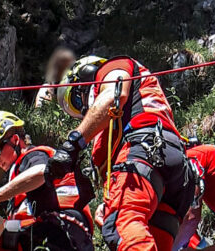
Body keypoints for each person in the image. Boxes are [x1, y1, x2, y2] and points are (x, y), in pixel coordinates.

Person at [48, 55, 193, 251]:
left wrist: (72, 144)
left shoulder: (113, 67)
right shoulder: (122, 122)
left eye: (76, 99)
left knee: (122, 223)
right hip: (172, 169)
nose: (85, 109)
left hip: (144, 152)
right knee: (149, 240)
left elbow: (113, 96)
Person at [0, 110, 94, 250]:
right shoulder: (18, 175)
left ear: (15, 140)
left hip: (61, 231)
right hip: (57, 233)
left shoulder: (34, 156)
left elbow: (41, 171)